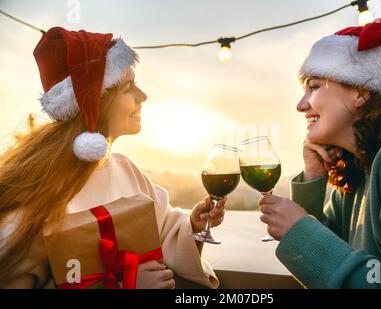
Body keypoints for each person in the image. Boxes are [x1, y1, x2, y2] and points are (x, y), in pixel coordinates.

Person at [0, 27, 224, 288]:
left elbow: (163, 231)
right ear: (97, 103)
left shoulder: (124, 169)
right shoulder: (36, 199)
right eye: (129, 87)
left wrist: (194, 224)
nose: (143, 96)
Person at [259, 18, 381, 288]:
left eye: (313, 86)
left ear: (360, 91)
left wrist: (298, 231)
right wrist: (314, 177)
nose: (301, 105)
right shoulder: (360, 166)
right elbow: (333, 259)